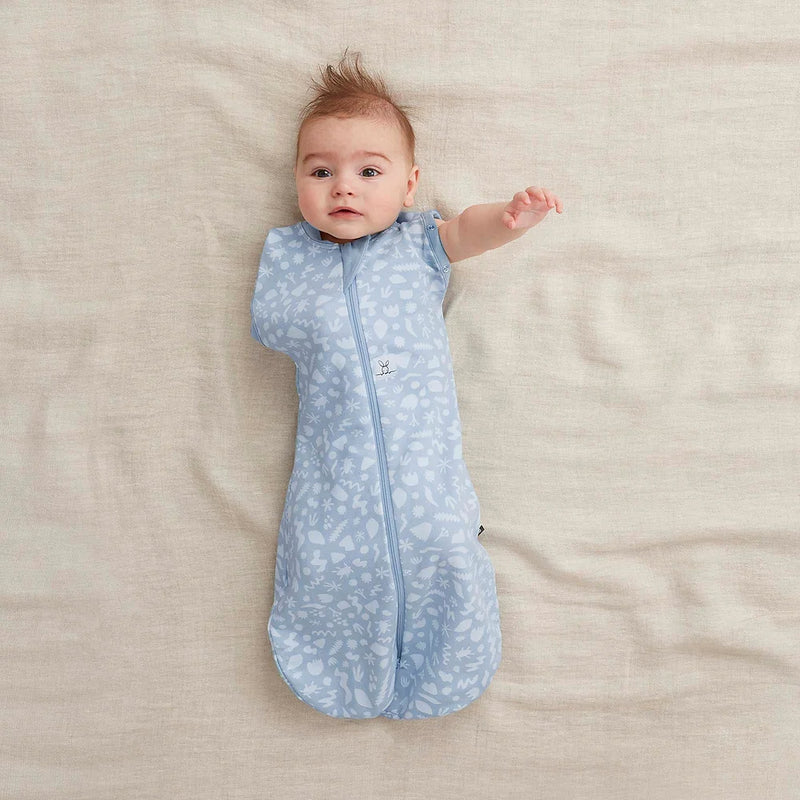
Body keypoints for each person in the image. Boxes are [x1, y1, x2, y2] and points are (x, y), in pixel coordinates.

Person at [250, 49, 563, 720]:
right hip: (335, 471)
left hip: (425, 467)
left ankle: (444, 660)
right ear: (297, 180)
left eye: (369, 171)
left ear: (410, 184)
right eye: (321, 172)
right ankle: (340, 667)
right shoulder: (291, 258)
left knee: (443, 543)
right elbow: (275, 329)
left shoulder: (417, 244)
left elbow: (466, 231)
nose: (344, 188)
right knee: (327, 559)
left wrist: (509, 217)